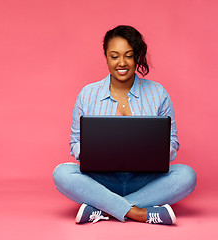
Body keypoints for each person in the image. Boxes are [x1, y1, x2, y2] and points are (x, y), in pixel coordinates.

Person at [53, 25, 197, 225]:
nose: (122, 63)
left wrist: (157, 153)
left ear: (137, 57)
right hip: (101, 181)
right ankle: (140, 213)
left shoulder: (158, 93)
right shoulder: (87, 94)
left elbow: (172, 143)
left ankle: (104, 210)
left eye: (128, 55)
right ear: (106, 57)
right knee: (62, 173)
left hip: (145, 180)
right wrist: (90, 154)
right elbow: (75, 142)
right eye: (114, 56)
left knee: (187, 175)